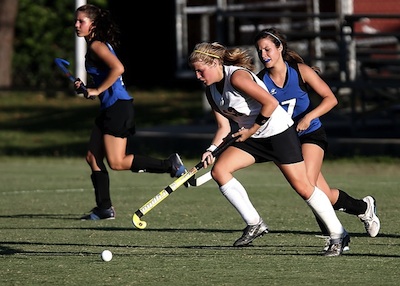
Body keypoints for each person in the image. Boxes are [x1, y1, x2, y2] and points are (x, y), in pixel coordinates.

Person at [188, 42, 349, 257]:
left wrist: (251, 129)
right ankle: (255, 224)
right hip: (254, 137)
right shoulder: (211, 91)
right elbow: (224, 127)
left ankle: (339, 234)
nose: (198, 76)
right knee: (220, 170)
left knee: (303, 187)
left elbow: (271, 103)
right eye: (195, 71)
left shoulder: (237, 77)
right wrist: (211, 149)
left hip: (278, 133)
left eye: (201, 70)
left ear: (216, 63)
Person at [253, 28, 380, 244]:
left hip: (311, 134)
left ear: (280, 48)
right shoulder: (259, 81)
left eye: (267, 49)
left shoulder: (301, 71)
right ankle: (363, 207)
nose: (264, 55)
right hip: (285, 141)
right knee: (321, 193)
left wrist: (308, 117)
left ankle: (334, 234)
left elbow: (330, 99)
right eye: (259, 51)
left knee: (307, 184)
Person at [74, 4, 187, 220]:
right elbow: (106, 76)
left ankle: (169, 165)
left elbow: (118, 69)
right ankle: (104, 209)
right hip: (110, 107)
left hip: (118, 108)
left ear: (93, 24)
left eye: (81, 21)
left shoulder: (97, 45)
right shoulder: (96, 45)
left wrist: (97, 89)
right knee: (92, 156)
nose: (77, 25)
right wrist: (86, 88)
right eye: (76, 21)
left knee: (117, 162)